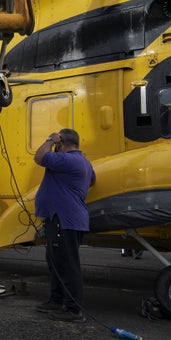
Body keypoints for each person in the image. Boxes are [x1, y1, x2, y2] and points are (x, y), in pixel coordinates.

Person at [34, 128, 96, 323]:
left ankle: (73, 310)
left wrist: (49, 139)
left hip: (65, 219)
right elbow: (92, 180)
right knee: (56, 262)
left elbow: (39, 157)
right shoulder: (83, 162)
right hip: (65, 219)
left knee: (68, 265)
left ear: (61, 143)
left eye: (57, 143)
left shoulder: (68, 160)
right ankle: (56, 299)